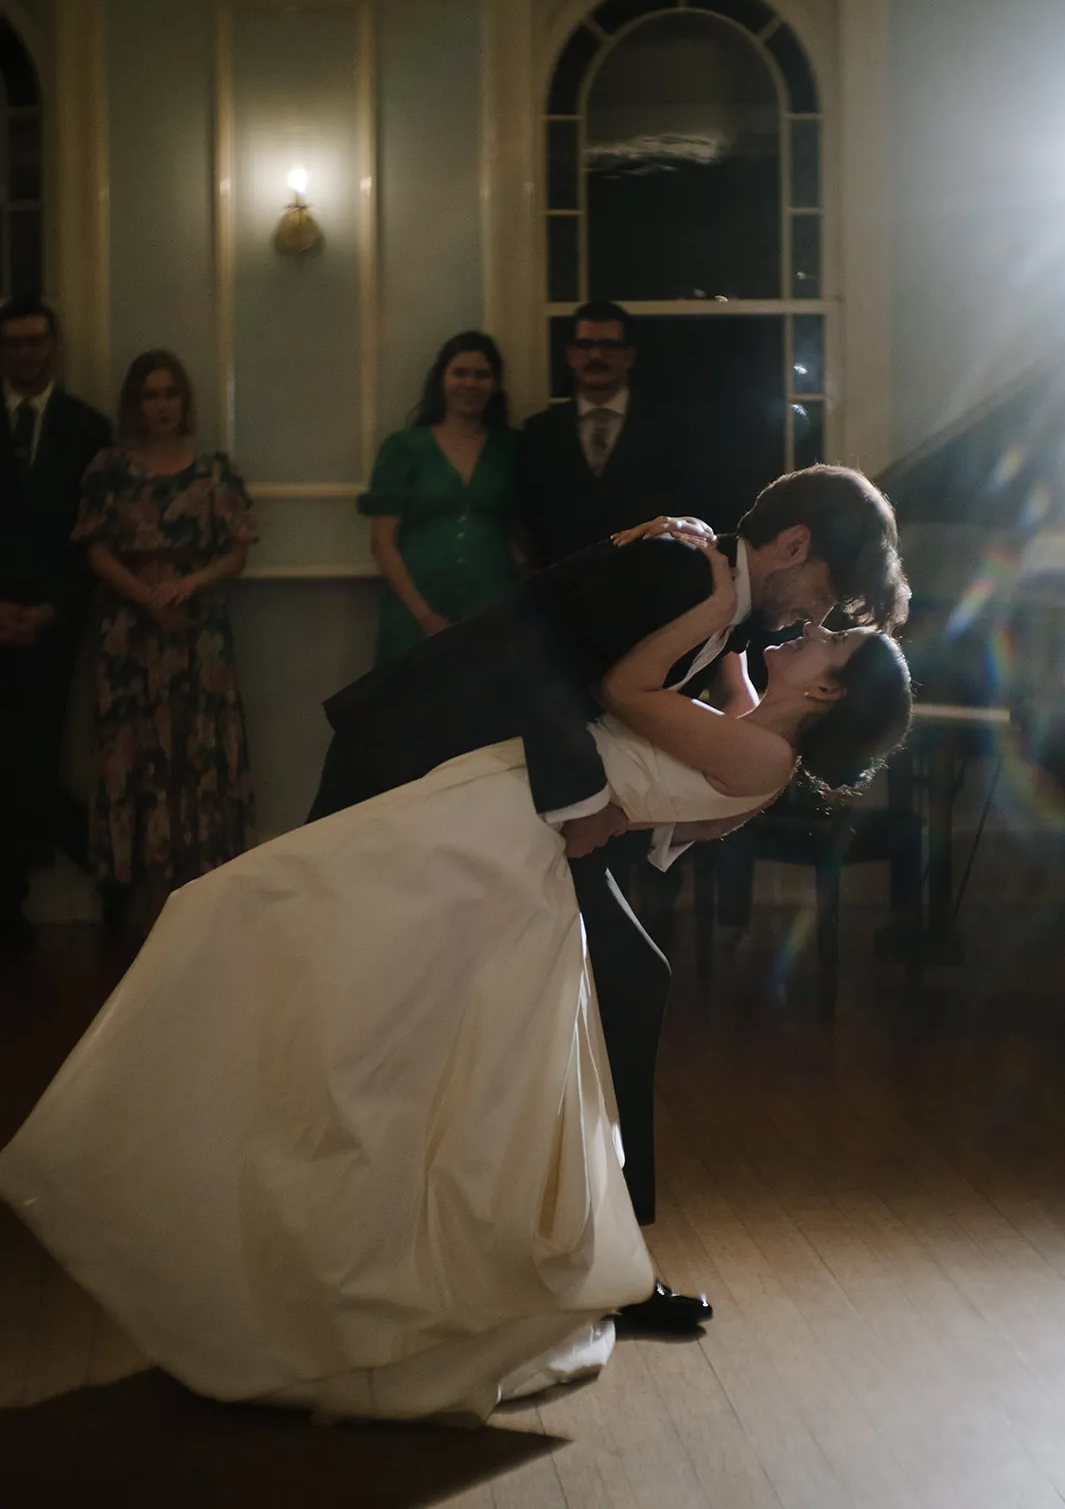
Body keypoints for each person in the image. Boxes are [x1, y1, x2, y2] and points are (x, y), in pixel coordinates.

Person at [0, 546, 912, 1424]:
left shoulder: (756, 757)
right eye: (821, 613)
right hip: (505, 806)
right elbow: (722, 700)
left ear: (826, 692)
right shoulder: (752, 729)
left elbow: (625, 691)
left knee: (300, 943)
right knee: (315, 941)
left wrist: (718, 613)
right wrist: (659, 567)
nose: (809, 627)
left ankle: (356, 1255)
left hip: (507, 831)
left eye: (827, 641)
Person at [307, 464, 910, 1330]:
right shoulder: (684, 571)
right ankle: (441, 1239)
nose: (817, 617)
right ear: (791, 546)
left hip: (515, 808)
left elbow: (645, 707)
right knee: (360, 989)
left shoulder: (710, 593)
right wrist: (586, 802)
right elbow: (537, 658)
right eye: (823, 592)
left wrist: (626, 811)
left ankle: (585, 1253)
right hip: (415, 756)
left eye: (831, 622)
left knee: (615, 983)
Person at [72, 351, 257, 929]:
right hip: (129, 636)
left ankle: (201, 888)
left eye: (170, 394)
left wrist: (188, 585)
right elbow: (95, 548)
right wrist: (145, 594)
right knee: (135, 753)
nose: (161, 405)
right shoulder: (109, 469)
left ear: (185, 401)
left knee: (198, 750)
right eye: (150, 395)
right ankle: (142, 893)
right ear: (136, 403)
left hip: (199, 636)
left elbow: (236, 550)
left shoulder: (214, 473)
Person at [0, 296, 112, 951]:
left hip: (53, 621)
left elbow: (93, 535)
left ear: (54, 345)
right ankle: (15, 900)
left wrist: (49, 610)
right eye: (12, 343)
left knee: (36, 754)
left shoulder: (86, 429)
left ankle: (94, 857)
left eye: (34, 341)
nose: (24, 353)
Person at [361, 331, 521, 663]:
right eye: (460, 373)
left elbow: (526, 529)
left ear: (494, 384)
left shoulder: (512, 448)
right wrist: (424, 616)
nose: (470, 383)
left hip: (493, 605)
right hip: (415, 608)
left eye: (481, 375)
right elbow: (382, 543)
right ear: (441, 379)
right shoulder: (403, 448)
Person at [518, 301, 691, 567]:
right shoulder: (539, 431)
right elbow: (529, 519)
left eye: (609, 346)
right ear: (570, 355)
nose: (596, 356)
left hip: (650, 582)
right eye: (585, 346)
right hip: (561, 589)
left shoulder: (671, 429)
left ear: (629, 356)